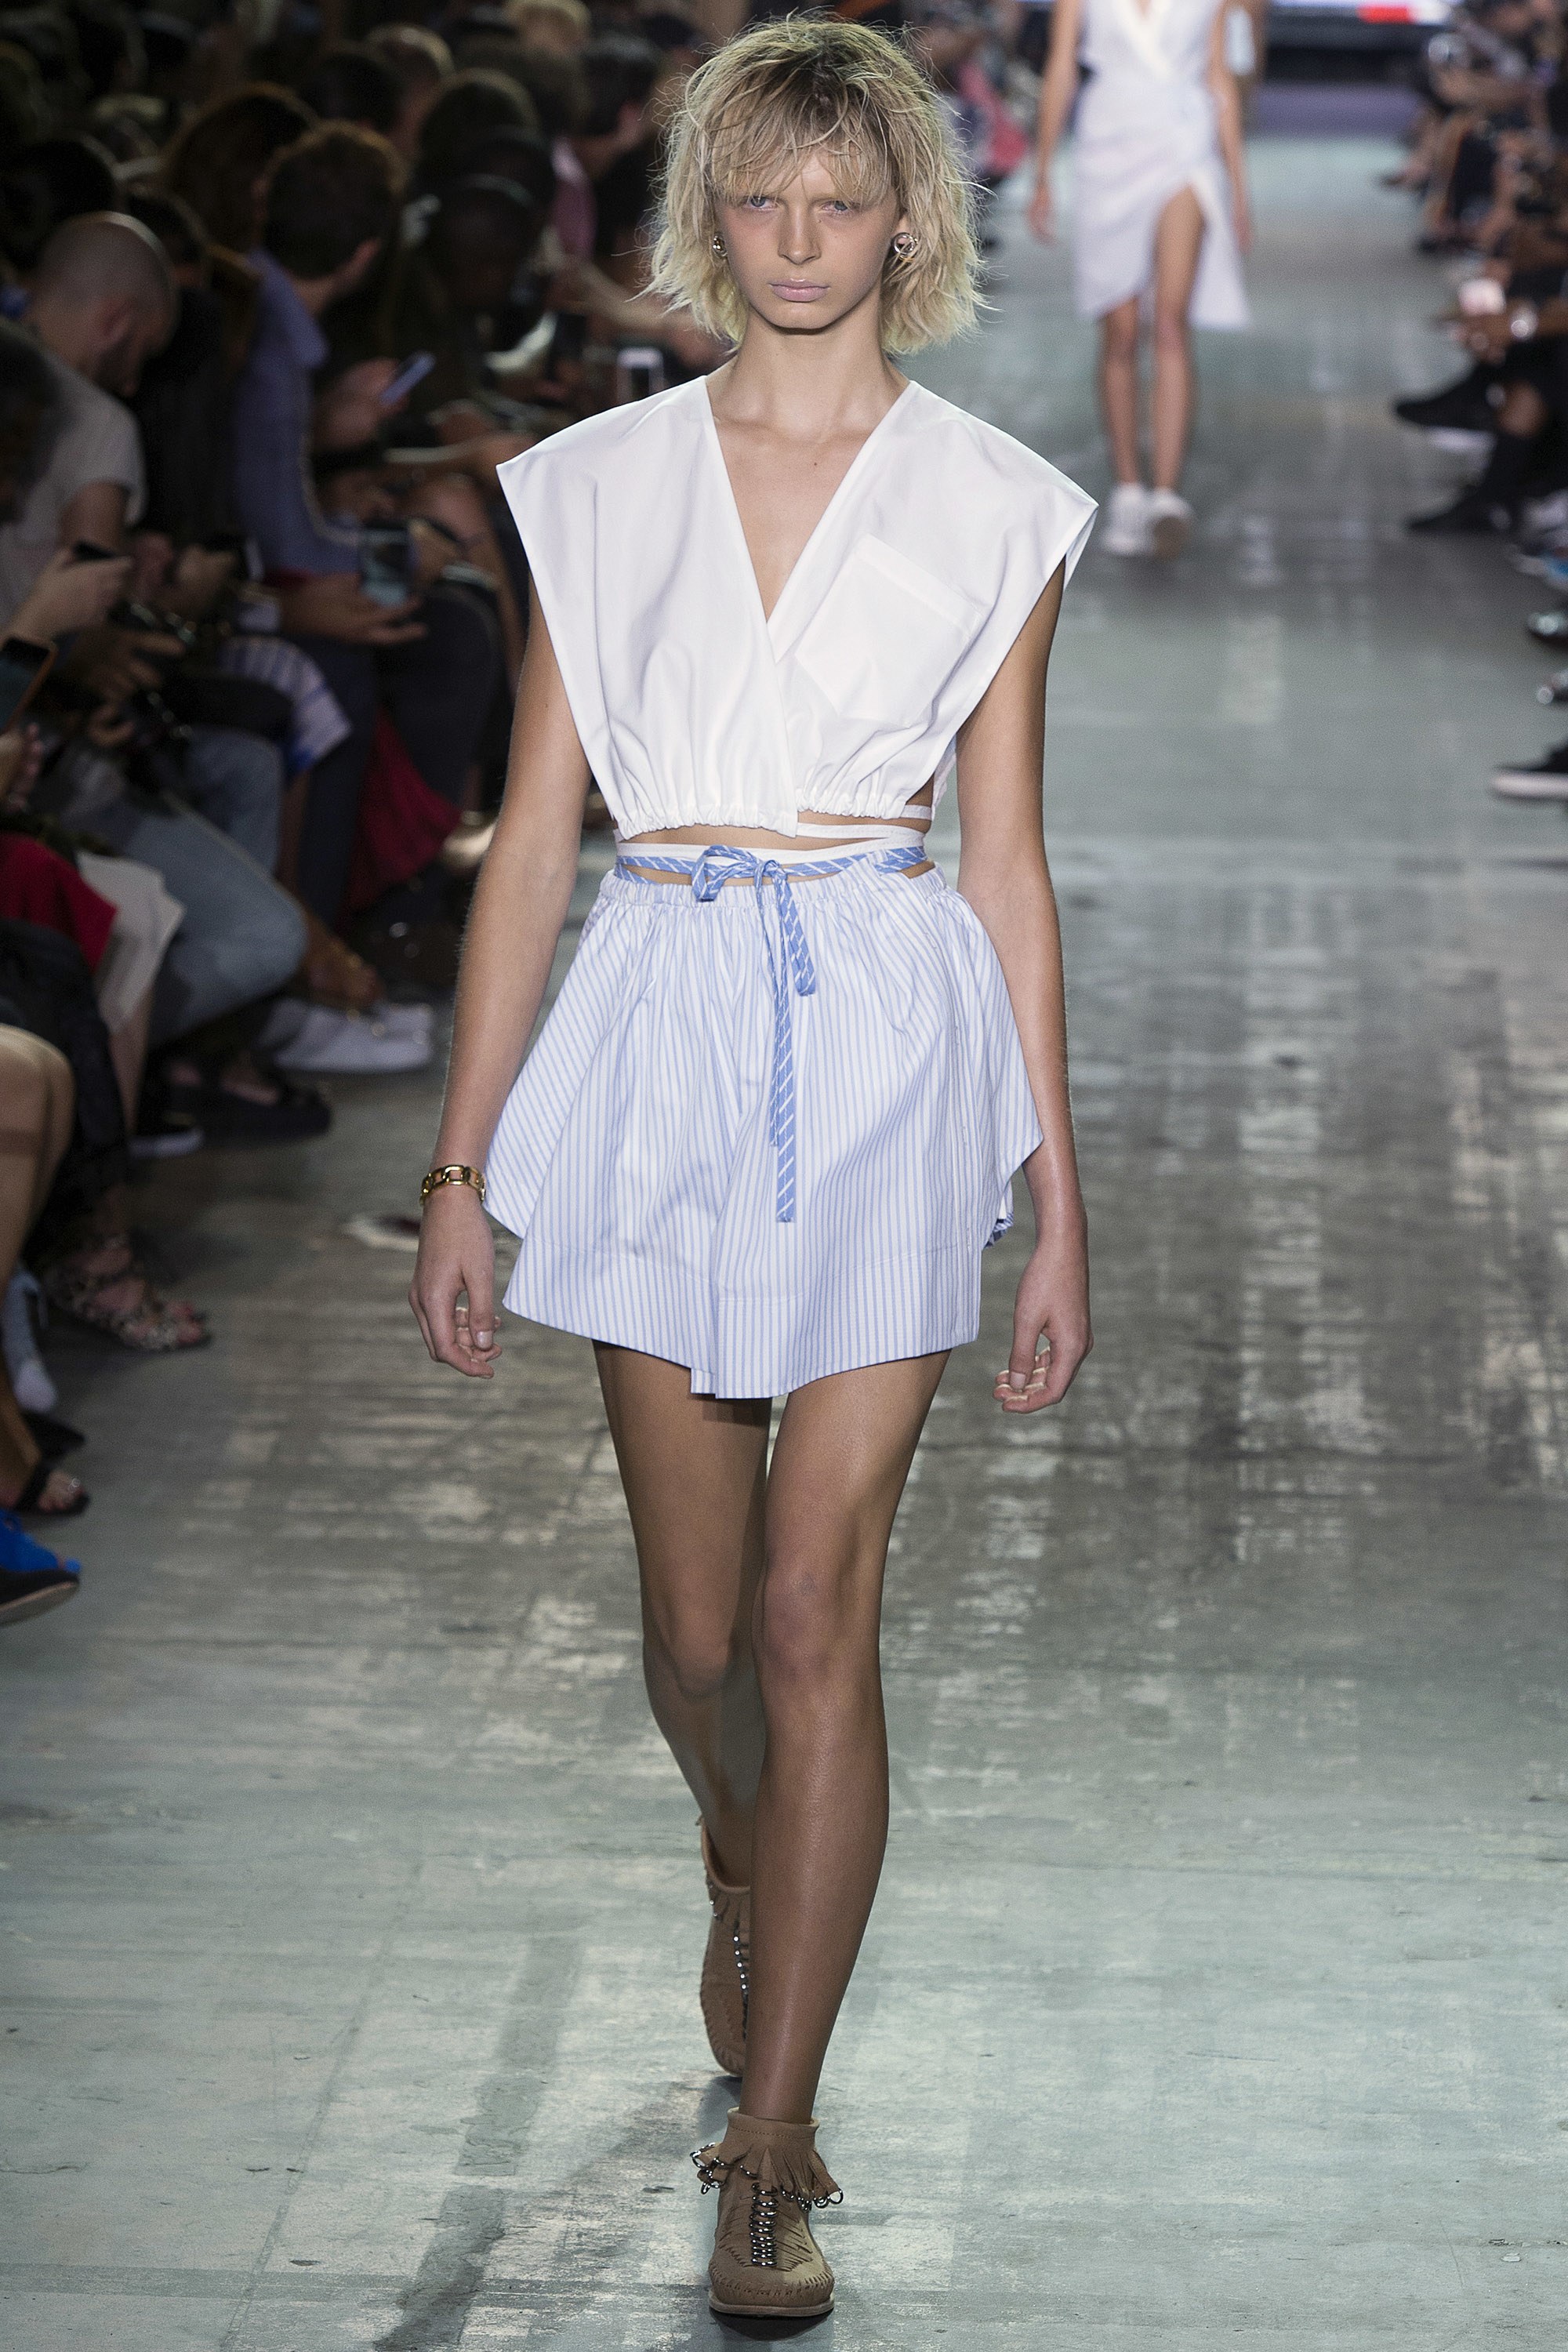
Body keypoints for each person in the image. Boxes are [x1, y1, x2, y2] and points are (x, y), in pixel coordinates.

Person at [409, 16, 1095, 2320]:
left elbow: (1004, 861)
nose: (800, 241)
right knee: (698, 1632)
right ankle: (744, 1840)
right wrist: (459, 1170)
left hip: (889, 1035)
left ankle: (773, 2143)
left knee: (816, 1612)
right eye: (763, 198)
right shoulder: (591, 488)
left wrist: (1054, 1198)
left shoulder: (995, 507)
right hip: (663, 1019)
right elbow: (531, 848)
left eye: (842, 200)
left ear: (908, 220)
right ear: (711, 210)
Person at [1031, 0, 1250, 557]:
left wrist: (1238, 186)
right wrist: (1043, 172)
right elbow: (1061, 67)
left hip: (1185, 146)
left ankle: (1167, 495)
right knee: (1121, 331)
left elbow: (1219, 75)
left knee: (1171, 324)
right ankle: (1128, 488)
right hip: (1108, 147)